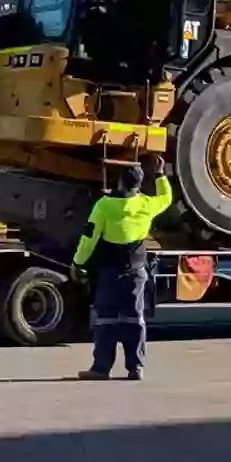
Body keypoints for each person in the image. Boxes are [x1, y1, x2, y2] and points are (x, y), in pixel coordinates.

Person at [72, 151, 172, 380]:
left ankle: (101, 368)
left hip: (109, 271)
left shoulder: (104, 206)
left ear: (119, 182)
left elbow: (89, 238)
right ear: (139, 184)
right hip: (136, 270)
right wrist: (160, 175)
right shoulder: (147, 205)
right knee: (135, 318)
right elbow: (166, 197)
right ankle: (135, 367)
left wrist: (78, 263)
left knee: (106, 318)